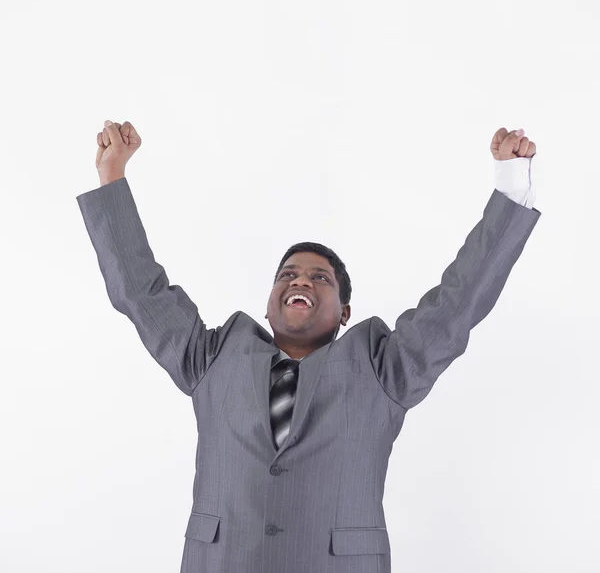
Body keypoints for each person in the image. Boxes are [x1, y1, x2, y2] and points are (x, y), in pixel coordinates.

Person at [76, 120, 540, 573]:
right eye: (288, 275)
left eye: (320, 278)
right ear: (268, 303)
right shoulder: (211, 357)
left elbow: (457, 304)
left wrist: (510, 185)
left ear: (344, 312)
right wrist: (111, 175)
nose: (300, 280)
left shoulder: (384, 367)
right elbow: (142, 292)